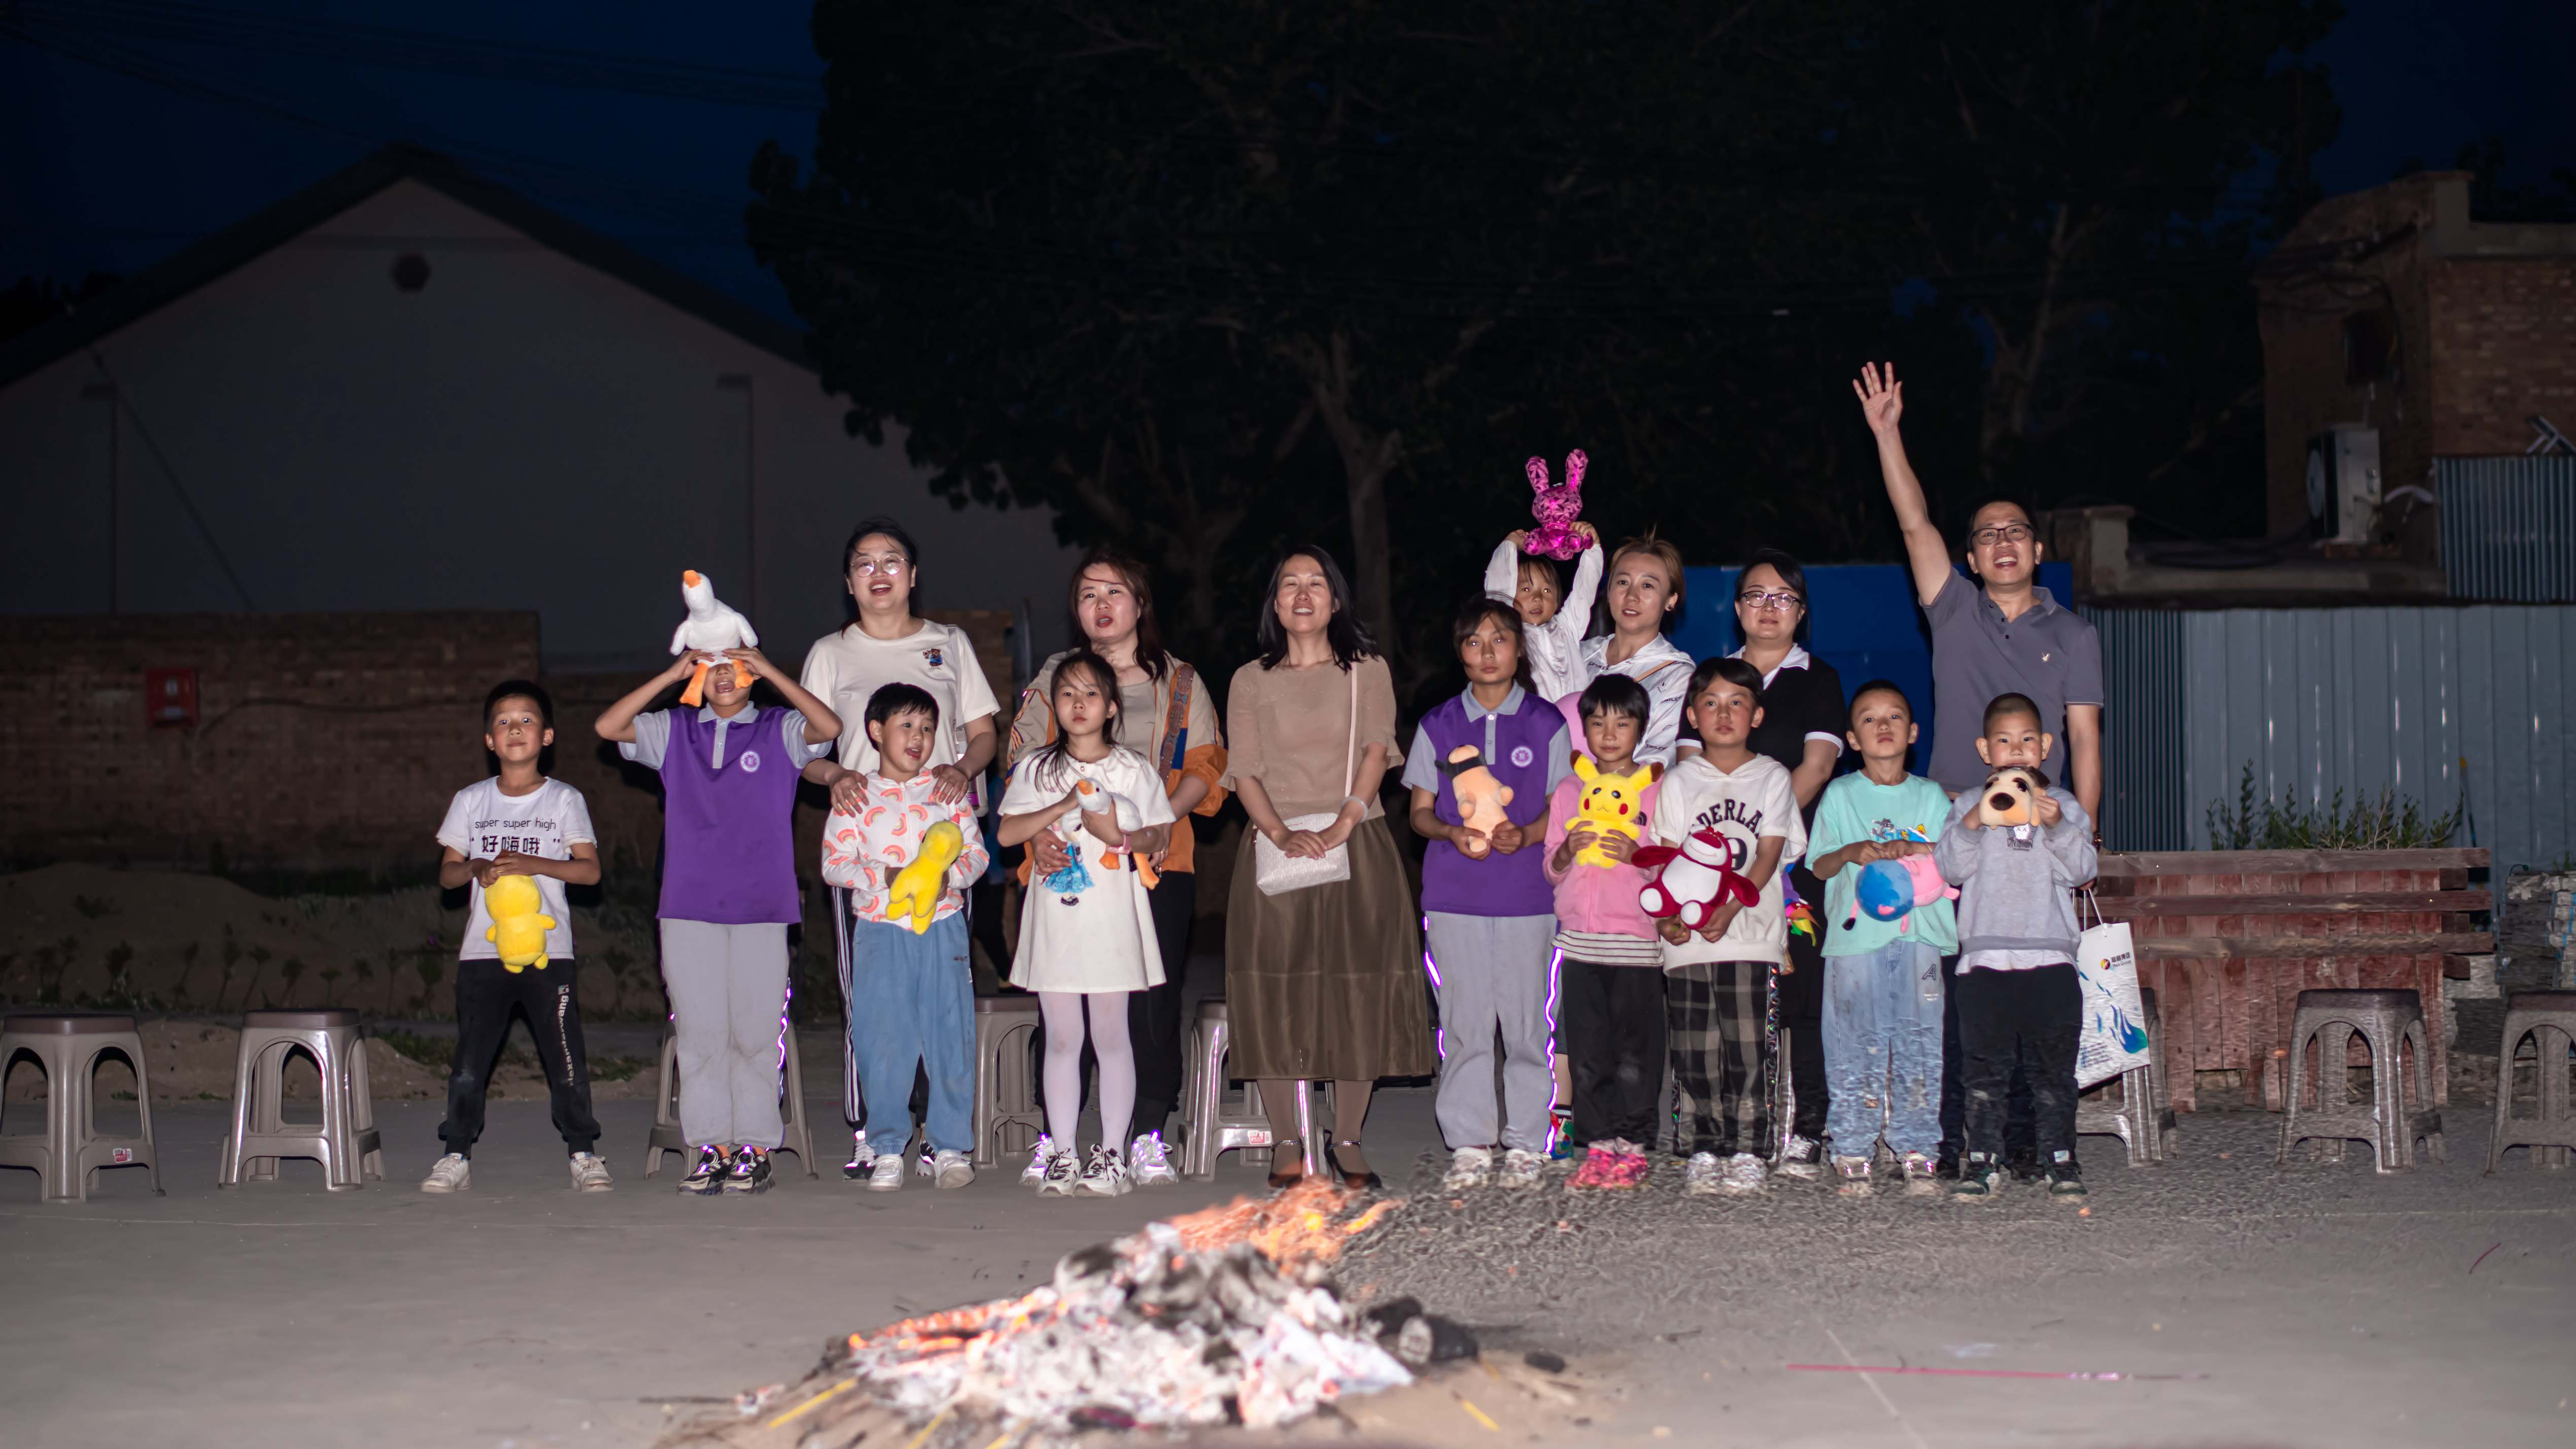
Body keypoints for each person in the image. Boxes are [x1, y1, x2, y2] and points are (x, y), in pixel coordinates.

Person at [1854, 363, 2103, 1177]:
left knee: (2038, 989)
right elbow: (1912, 520)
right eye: (1987, 534)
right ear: (1969, 555)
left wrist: (2082, 833)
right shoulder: (1953, 610)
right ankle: (1962, 1139)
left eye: (2015, 531)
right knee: (1960, 990)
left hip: (2038, 831)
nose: (2002, 542)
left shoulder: (2073, 635)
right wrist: (1887, 432)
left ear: (2038, 549)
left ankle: (2034, 1142)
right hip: (1954, 823)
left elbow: (2085, 739)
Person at [1004, 548, 1228, 1187]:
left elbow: (1207, 765)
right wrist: (1041, 833)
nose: (1100, 605)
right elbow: (1021, 763)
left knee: (1148, 1005)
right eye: (1087, 594)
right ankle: (1058, 1139)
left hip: (1155, 859)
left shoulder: (1179, 681)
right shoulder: (1055, 675)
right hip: (1063, 864)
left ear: (1139, 603)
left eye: (1114, 592)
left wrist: (1154, 826)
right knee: (1062, 1006)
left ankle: (1145, 1133)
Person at [795, 517, 1002, 1176]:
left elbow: (983, 733)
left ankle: (943, 1136)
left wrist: (962, 770)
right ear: (848, 581)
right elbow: (801, 751)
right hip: (867, 842)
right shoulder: (830, 653)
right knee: (872, 999)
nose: (878, 572)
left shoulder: (948, 643)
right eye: (864, 563)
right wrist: (835, 775)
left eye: (891, 561)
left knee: (943, 999)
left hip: (941, 839)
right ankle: (873, 1131)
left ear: (912, 575)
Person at [1223, 545, 1434, 1191]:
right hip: (1275, 845)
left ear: (1335, 600)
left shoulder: (1365, 670)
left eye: (1315, 582)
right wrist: (1282, 832)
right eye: (1289, 583)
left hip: (1356, 839)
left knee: (1355, 988)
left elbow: (1376, 750)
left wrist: (1342, 823)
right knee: (1274, 988)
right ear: (1275, 603)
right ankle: (1287, 1137)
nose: (1302, 593)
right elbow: (1244, 770)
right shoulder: (1250, 679)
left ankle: (1346, 1138)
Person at [597, 643, 841, 1195]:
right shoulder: (674, 730)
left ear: (752, 672)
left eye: (736, 666)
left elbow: (829, 726)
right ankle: (713, 1147)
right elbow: (609, 727)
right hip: (688, 906)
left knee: (755, 1032)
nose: (724, 676)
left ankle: (755, 1148)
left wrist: (771, 669)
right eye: (711, 668)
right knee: (701, 1034)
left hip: (763, 906)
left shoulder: (779, 728)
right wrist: (670, 676)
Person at [1405, 596, 1573, 1193]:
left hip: (1530, 897)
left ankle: (1526, 1141)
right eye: (1473, 642)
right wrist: (1450, 831)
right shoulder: (1438, 723)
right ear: (1460, 654)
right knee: (1464, 1024)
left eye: (1498, 639)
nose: (1486, 652)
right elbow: (1419, 811)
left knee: (1528, 1027)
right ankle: (1470, 1142)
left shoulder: (1547, 722)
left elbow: (1562, 805)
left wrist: (1526, 834)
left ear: (1518, 648)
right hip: (1454, 897)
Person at [997, 650, 1174, 1197]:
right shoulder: (1036, 767)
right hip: (1057, 919)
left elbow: (1159, 835)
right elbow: (1006, 833)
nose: (1078, 704)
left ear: (1111, 707)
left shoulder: (1132, 769)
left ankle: (1113, 1154)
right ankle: (1064, 1153)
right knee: (1061, 1038)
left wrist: (1124, 837)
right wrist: (1053, 817)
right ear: (1054, 704)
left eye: (1091, 694)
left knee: (1112, 1035)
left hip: (1111, 919)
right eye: (1067, 694)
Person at [421, 681, 609, 1194]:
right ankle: (456, 1152)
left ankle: (583, 1151)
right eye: (503, 722)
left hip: (550, 953)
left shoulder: (564, 799)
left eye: (527, 719)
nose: (515, 728)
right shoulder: (471, 800)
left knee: (565, 1058)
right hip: (483, 954)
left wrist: (532, 863)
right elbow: (448, 874)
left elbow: (589, 870)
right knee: (470, 1062)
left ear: (547, 735)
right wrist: (476, 866)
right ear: (489, 740)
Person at [1703, 547, 1847, 1178]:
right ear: (1737, 609)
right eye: (1756, 596)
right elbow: (1690, 766)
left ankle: (1808, 1128)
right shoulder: (1714, 677)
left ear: (1800, 612)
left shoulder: (1817, 678)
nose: (1769, 607)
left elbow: (1816, 767)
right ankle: (1738, 1128)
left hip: (1794, 862)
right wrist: (1727, 841)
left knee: (1803, 994)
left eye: (1783, 597)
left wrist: (1759, 834)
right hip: (1718, 862)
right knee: (1730, 996)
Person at [819, 683, 991, 1192]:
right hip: (880, 931)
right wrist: (887, 876)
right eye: (906, 725)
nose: (918, 737)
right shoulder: (855, 795)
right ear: (876, 731)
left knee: (949, 1035)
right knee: (884, 1039)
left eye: (928, 728)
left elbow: (977, 854)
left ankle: (950, 1146)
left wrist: (948, 877)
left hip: (942, 926)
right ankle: (888, 1146)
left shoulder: (946, 792)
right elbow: (833, 864)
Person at [1932, 693, 2098, 1200]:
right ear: (1986, 751)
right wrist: (1974, 821)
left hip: (2049, 957)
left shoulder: (2063, 804)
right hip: (1984, 959)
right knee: (1984, 1071)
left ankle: (2060, 1159)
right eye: (2003, 741)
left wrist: (2056, 825)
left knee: (2053, 1072)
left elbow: (2082, 871)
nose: (2017, 749)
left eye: (2027, 739)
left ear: (2045, 746)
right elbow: (1949, 868)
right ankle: (1983, 1160)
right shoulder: (1966, 804)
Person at [1649, 658, 1803, 1195]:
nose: (1723, 713)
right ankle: (1701, 1146)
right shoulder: (1679, 780)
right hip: (1689, 943)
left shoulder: (1772, 777)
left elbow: (1769, 852)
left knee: (1749, 1048)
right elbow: (1665, 855)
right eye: (1710, 703)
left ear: (1756, 715)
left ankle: (1748, 1149)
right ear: (1692, 715)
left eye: (1737, 702)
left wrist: (1732, 908)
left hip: (1751, 934)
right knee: (1694, 1048)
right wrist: (1667, 918)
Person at [1806, 680, 1957, 1196]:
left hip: (1920, 939)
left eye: (1894, 716)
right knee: (1852, 1042)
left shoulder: (1930, 795)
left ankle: (1917, 1145)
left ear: (1913, 732)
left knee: (1920, 1040)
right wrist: (1851, 851)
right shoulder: (1841, 794)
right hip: (1856, 943)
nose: (1883, 725)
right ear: (1852, 739)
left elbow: (1956, 858)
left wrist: (1913, 848)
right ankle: (1851, 1146)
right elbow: (1819, 865)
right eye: (1869, 718)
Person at [1542, 674, 1666, 1191]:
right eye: (1597, 723)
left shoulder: (1657, 790)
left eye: (1621, 723)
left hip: (1635, 944)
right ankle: (1597, 1145)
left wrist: (1638, 857)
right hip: (1579, 943)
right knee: (1588, 1051)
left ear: (1641, 728)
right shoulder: (1569, 791)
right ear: (1584, 730)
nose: (1609, 734)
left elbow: (1672, 865)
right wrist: (1566, 852)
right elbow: (1550, 868)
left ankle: (1633, 1145)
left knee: (1635, 1053)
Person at [1578, 533, 1695, 768]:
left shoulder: (1678, 675)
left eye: (1648, 585)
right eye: (1623, 582)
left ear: (1670, 600)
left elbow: (1656, 762)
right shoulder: (1576, 654)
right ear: (1608, 591)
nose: (1632, 596)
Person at [1483, 520, 1603, 705]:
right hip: (1533, 721)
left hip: (1576, 720)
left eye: (1547, 591)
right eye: (1526, 589)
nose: (1538, 598)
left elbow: (1584, 591)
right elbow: (1497, 593)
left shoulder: (1567, 628)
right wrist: (1510, 545)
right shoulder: (1511, 633)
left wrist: (1593, 548)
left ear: (1557, 600)